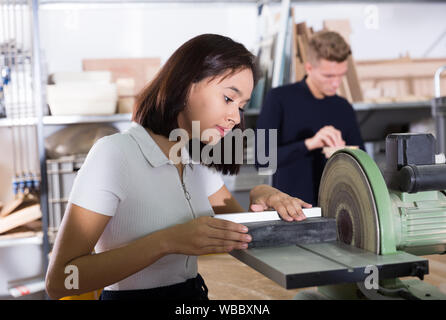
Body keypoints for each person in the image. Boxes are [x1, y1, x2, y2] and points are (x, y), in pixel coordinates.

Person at [45, 34, 312, 300]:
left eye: (241, 107)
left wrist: (261, 195)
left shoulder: (195, 160)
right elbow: (60, 281)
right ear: (185, 84)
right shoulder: (114, 154)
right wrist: (167, 242)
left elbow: (243, 238)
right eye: (229, 99)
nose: (234, 118)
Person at [256, 30, 365, 206]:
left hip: (337, 209)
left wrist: (344, 152)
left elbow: (363, 160)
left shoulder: (344, 107)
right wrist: (310, 144)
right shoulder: (277, 98)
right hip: (291, 211)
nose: (336, 83)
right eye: (328, 76)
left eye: (341, 75)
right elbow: (261, 160)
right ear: (309, 68)